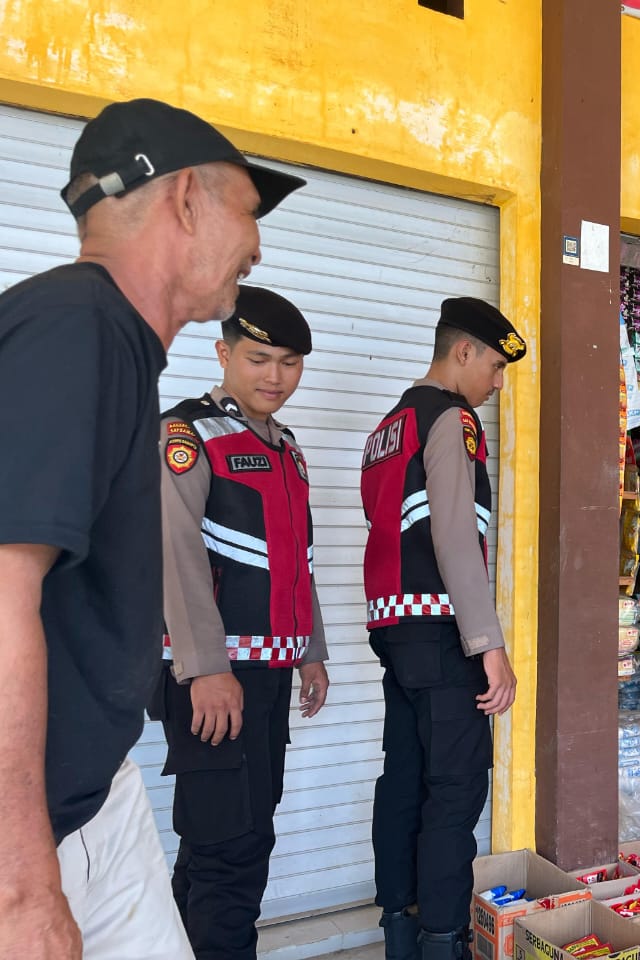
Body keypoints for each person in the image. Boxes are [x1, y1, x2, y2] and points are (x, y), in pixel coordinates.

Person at [0, 97, 303, 960]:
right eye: (248, 209)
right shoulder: (75, 328)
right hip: (39, 833)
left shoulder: (115, 346)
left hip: (94, 793)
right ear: (184, 202)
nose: (257, 244)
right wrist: (21, 887)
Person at [155, 285, 330, 960]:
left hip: (270, 677)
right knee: (229, 851)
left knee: (230, 841)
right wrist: (206, 669)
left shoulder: (287, 448)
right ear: (224, 352)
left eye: (289, 362)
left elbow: (296, 562)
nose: (276, 376)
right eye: (260, 357)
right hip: (215, 680)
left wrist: (310, 650)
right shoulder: (188, 434)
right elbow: (174, 554)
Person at [360, 297, 525, 960]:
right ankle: (442, 944)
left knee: (404, 780)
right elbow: (455, 536)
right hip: (440, 628)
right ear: (462, 352)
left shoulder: (388, 426)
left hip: (395, 630)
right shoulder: (451, 419)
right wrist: (490, 646)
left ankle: (401, 929)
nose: (498, 382)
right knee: (454, 793)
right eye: (494, 363)